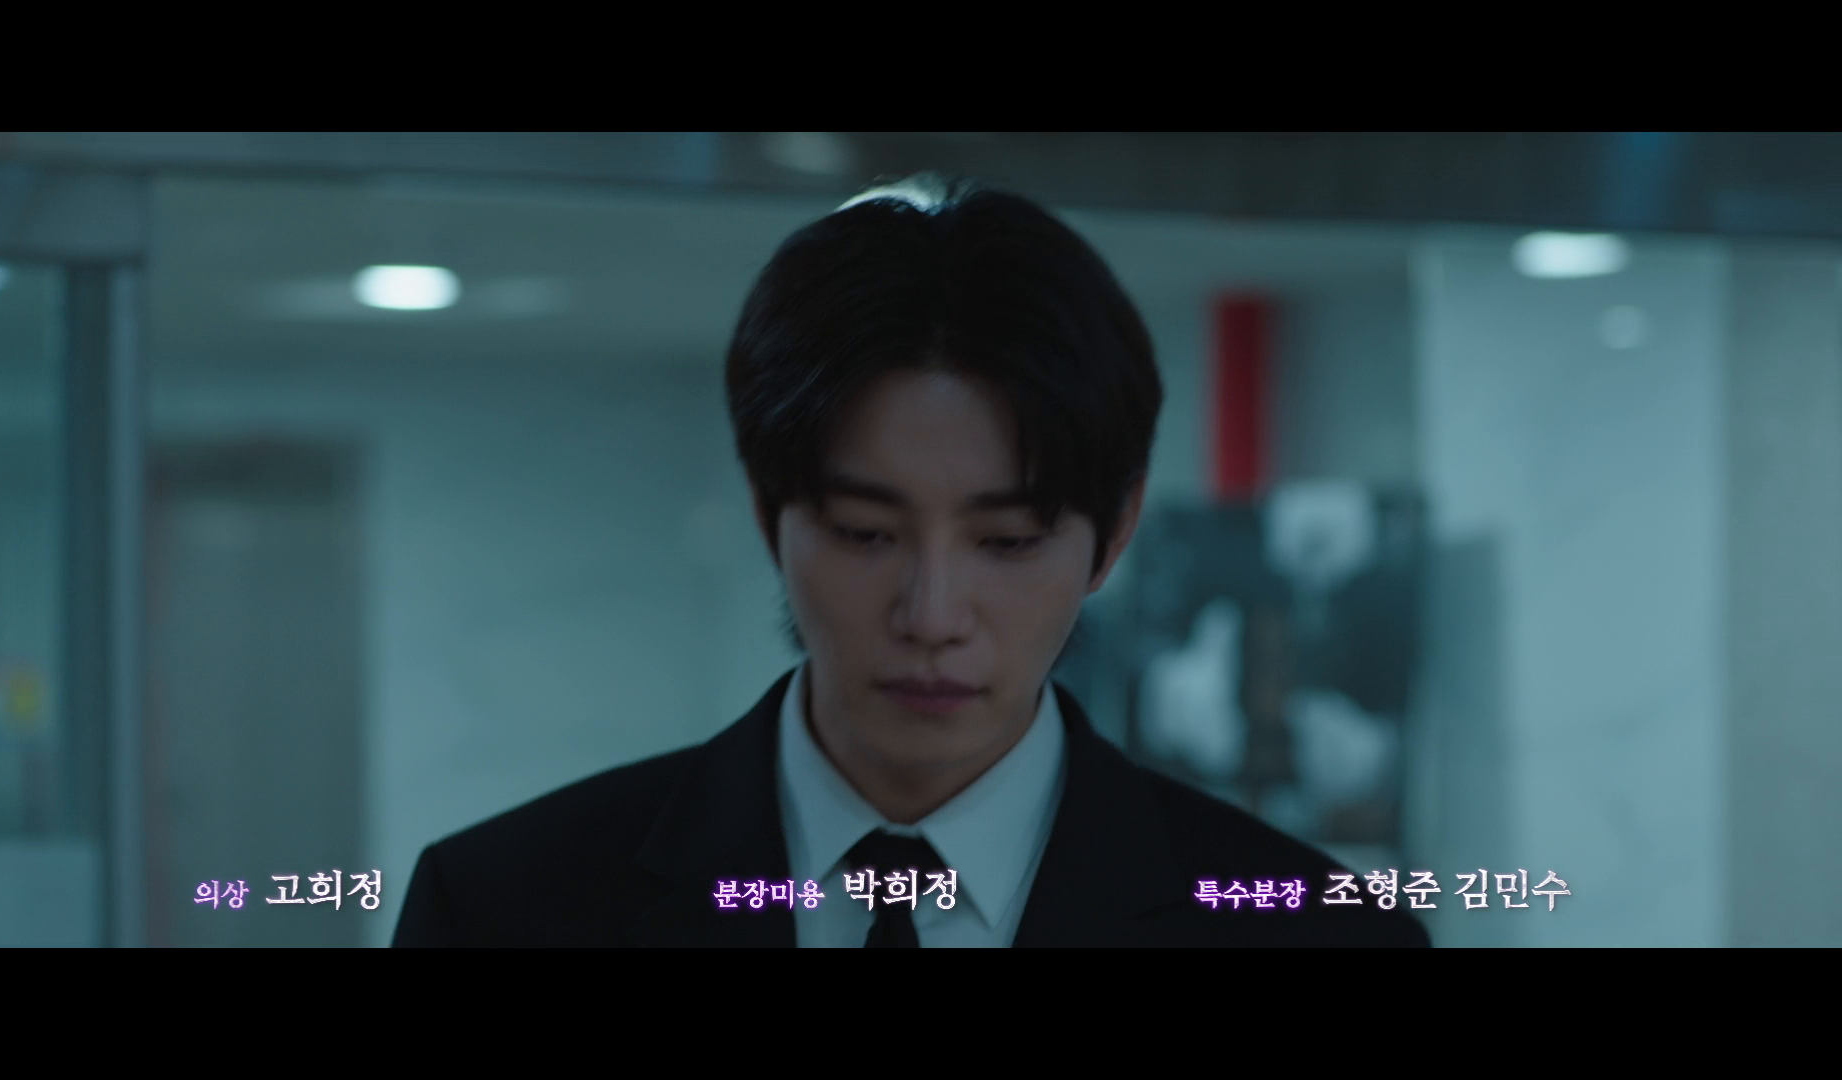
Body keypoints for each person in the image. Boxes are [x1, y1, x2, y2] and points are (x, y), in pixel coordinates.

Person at [392, 176, 1429, 947]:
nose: (932, 615)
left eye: (1007, 541)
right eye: (864, 532)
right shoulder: (506, 909)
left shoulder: (1321, 935)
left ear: (1114, 533)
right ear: (770, 514)